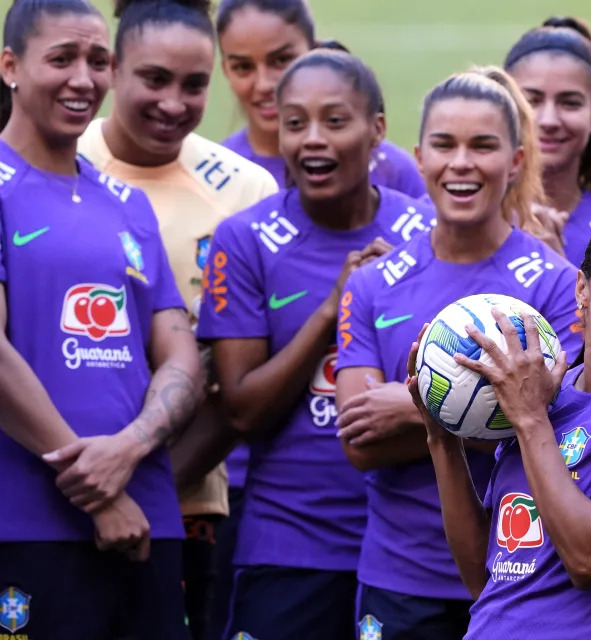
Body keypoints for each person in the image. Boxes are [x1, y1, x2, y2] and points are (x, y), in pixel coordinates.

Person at [334, 67, 582, 640]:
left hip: (521, 574)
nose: (462, 163)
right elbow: (361, 443)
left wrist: (413, 407)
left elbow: (559, 430)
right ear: (419, 157)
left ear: (516, 162)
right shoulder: (374, 284)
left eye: (483, 146)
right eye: (445, 145)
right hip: (401, 578)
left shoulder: (553, 284)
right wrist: (500, 412)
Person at [196, 48, 434, 640]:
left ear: (377, 129)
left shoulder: (426, 232)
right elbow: (243, 410)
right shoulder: (246, 239)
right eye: (294, 122)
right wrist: (336, 307)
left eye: (335, 120)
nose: (312, 140)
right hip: (289, 542)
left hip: (407, 546)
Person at [403, 214, 591, 639]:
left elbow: (590, 560)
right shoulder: (547, 393)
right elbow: (486, 577)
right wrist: (440, 438)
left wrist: (530, 419)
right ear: (582, 289)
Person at [74, 0, 278, 636]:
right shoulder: (51, 158)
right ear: (111, 70)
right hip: (46, 490)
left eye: (194, 85)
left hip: (184, 500)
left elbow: (236, 383)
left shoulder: (244, 191)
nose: (173, 103)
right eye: (154, 79)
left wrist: (142, 487)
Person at [0, 0, 204, 637]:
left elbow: (179, 355)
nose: (83, 80)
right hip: (27, 525)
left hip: (147, 523)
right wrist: (98, 490)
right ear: (10, 66)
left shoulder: (128, 205)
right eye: (61, 59)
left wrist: (132, 448)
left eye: (97, 61)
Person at [215, 0, 425, 198]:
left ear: (315, 51)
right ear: (225, 70)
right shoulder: (218, 176)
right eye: (243, 67)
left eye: (281, 60)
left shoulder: (390, 168)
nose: (264, 84)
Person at [504, 16, 591, 267]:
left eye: (570, 103)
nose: (549, 120)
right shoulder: (463, 217)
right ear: (504, 105)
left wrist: (556, 267)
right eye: (532, 100)